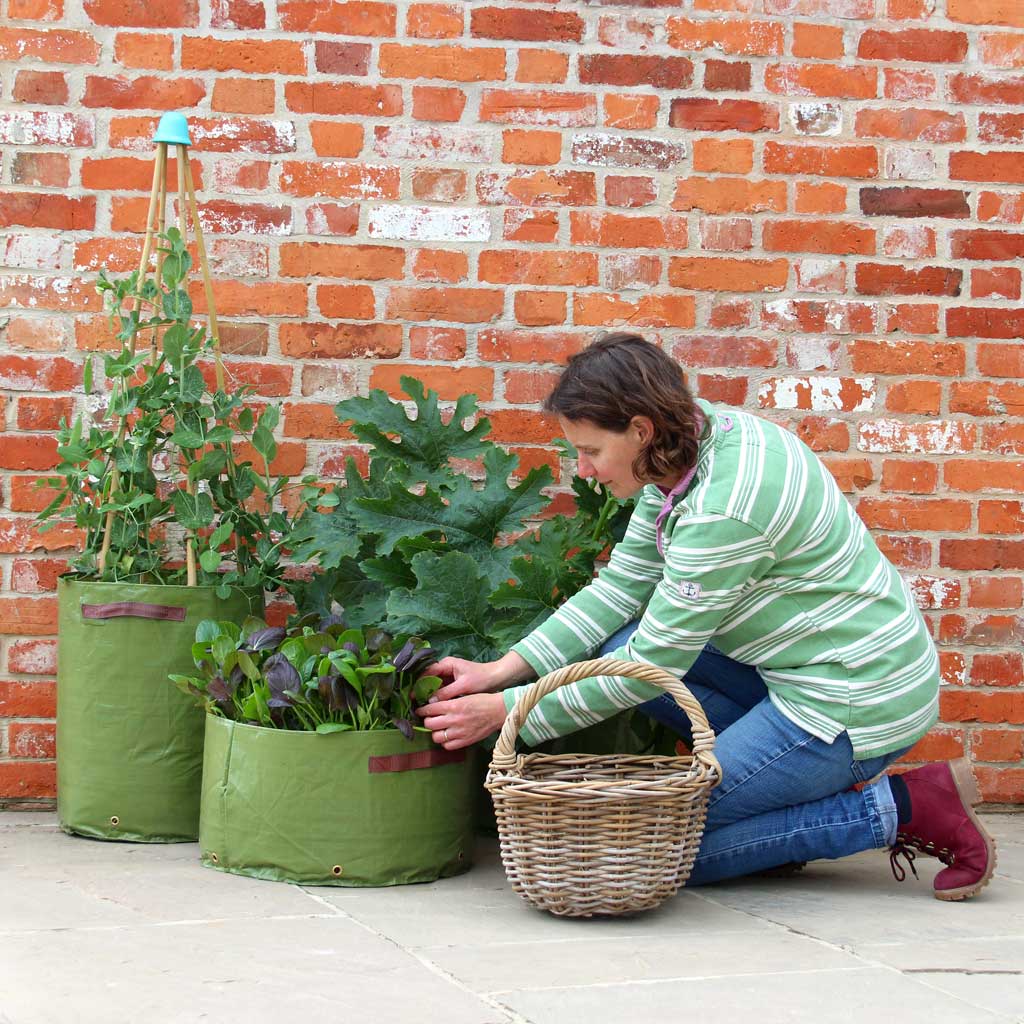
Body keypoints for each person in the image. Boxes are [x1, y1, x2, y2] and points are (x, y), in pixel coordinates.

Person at [417, 332, 996, 901]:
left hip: (848, 701)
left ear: (639, 430)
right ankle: (768, 800)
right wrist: (501, 672)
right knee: (617, 640)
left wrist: (507, 714)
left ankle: (902, 809)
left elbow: (654, 661)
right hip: (791, 672)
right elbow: (620, 589)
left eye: (591, 450)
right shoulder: (689, 447)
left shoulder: (726, 508)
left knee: (654, 849)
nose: (583, 469)